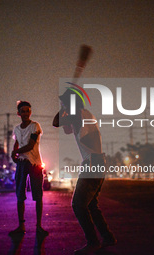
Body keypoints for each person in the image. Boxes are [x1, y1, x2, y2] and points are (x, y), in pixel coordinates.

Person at [53, 88, 116, 255]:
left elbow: (56, 121)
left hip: (92, 163)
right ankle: (107, 237)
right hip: (97, 161)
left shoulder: (77, 113)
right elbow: (66, 129)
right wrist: (66, 104)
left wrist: (64, 107)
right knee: (91, 205)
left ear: (71, 104)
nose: (62, 105)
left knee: (78, 205)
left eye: (64, 102)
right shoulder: (84, 114)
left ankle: (93, 242)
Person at [9, 101, 48, 237]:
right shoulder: (17, 129)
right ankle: (21, 225)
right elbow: (16, 143)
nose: (25, 113)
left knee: (38, 196)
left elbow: (31, 145)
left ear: (30, 112)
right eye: (22, 111)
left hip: (35, 164)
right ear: (18, 113)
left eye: (27, 111)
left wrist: (15, 152)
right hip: (21, 163)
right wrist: (14, 154)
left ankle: (38, 226)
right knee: (20, 195)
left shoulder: (35, 126)